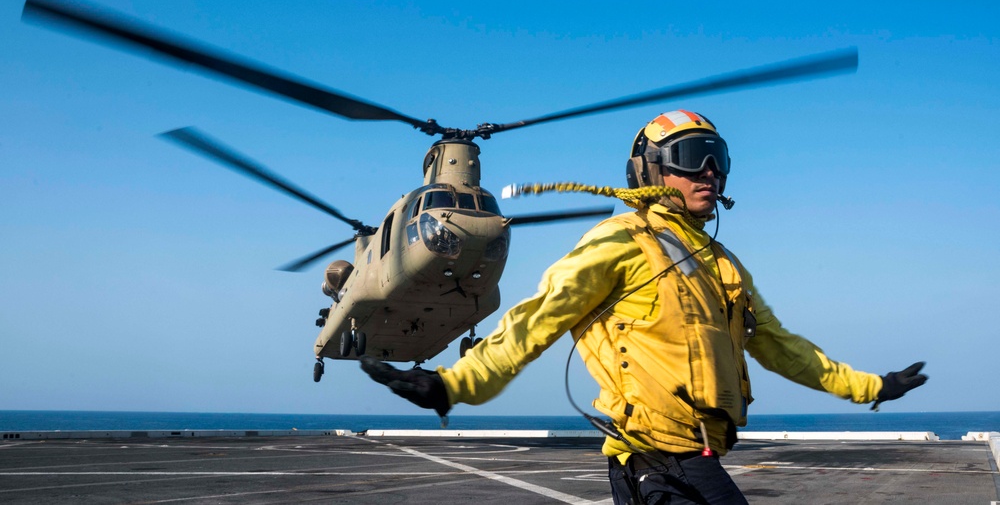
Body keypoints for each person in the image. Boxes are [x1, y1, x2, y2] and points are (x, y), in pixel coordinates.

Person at [361, 109, 928, 505]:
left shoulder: (722, 264)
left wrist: (870, 387)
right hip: (654, 455)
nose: (709, 171)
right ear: (652, 169)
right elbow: (536, 319)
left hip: (695, 451)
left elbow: (781, 346)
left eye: (718, 157)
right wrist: (454, 385)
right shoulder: (621, 239)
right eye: (691, 157)